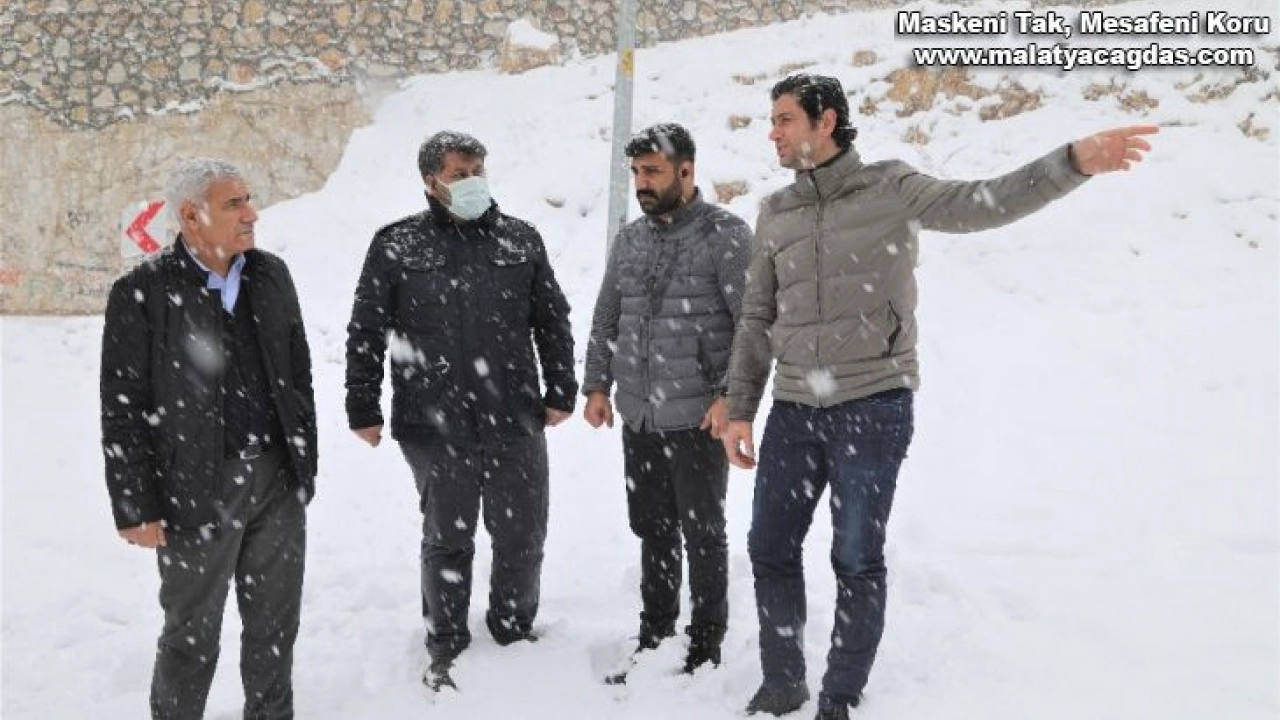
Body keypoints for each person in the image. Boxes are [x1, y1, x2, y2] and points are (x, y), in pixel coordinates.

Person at [720, 74, 1157, 719]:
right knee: (769, 547)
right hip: (793, 407)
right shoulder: (776, 212)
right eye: (773, 120)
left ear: (826, 121)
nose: (773, 133)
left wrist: (1071, 163)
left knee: (855, 555)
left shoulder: (890, 188)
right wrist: (739, 408)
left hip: (872, 404)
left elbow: (982, 203)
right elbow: (758, 316)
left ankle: (839, 695)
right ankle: (783, 681)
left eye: (785, 120)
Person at [344, 130, 578, 691]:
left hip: (514, 414)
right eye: (458, 174)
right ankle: (446, 643)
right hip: (433, 422)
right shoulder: (397, 245)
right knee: (448, 538)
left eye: (478, 171)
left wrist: (560, 390)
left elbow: (552, 320)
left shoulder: (520, 239)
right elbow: (366, 330)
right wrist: (362, 406)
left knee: (521, 534)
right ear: (431, 182)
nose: (472, 181)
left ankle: (513, 631)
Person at [100, 157, 317, 720]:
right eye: (234, 204)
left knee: (275, 624)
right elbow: (122, 408)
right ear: (191, 216)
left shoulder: (271, 276)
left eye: (248, 200)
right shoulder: (141, 292)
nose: (251, 214)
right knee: (191, 635)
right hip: (194, 488)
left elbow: (297, 374)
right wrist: (135, 505)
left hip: (276, 480)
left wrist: (302, 464)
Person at [582, 123, 752, 681]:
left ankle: (705, 645)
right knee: (652, 527)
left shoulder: (726, 235)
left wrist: (730, 397)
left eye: (652, 171)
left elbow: (752, 326)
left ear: (686, 170)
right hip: (640, 415)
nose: (642, 182)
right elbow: (607, 317)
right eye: (636, 172)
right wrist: (597, 386)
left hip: (699, 417)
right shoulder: (630, 239)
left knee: (703, 532)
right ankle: (655, 633)